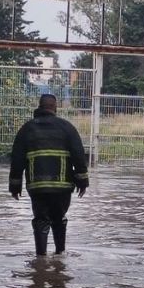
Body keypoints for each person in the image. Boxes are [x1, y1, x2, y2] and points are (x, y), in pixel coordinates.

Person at [9, 94, 89, 256]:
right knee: (59, 219)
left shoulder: (27, 129)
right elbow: (79, 156)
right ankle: (60, 254)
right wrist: (82, 181)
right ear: (55, 107)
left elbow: (17, 159)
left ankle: (40, 258)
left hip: (37, 187)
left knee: (41, 220)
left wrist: (15, 185)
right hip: (62, 187)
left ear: (39, 106)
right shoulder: (67, 128)